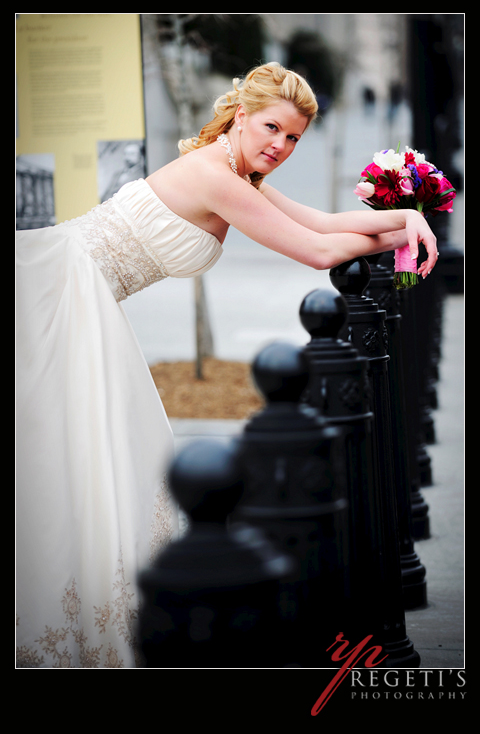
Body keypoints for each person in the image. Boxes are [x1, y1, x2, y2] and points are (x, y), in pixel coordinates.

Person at [16, 62, 438, 669]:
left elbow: (321, 223)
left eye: (293, 138)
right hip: (61, 289)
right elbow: (317, 251)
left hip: (81, 296)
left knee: (63, 458)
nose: (281, 146)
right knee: (62, 455)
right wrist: (403, 229)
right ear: (240, 116)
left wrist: (407, 219)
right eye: (272, 128)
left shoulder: (237, 169)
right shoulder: (215, 174)